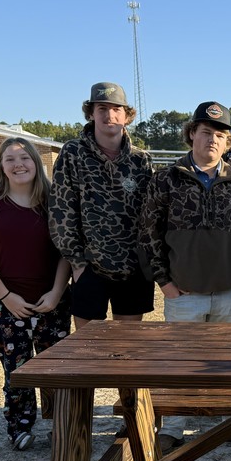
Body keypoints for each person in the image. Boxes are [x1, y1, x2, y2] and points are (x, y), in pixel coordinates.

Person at [138, 101, 231, 448]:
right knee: (180, 363)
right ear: (192, 134)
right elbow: (148, 234)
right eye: (206, 132)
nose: (213, 140)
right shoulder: (166, 180)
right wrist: (164, 282)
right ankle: (172, 429)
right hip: (185, 293)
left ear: (228, 143)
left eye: (221, 135)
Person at [0, 137, 71, 450]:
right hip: (5, 303)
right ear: (1, 166)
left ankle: (61, 426)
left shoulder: (54, 201)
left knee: (56, 369)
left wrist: (55, 292)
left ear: (36, 163)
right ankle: (20, 426)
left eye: (24, 158)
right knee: (18, 367)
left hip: (51, 301)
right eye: (10, 159)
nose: (18, 164)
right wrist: (6, 296)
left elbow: (66, 251)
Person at [49, 82, 154, 329]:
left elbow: (150, 214)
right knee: (88, 347)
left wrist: (147, 260)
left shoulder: (140, 160)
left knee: (128, 347)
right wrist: (77, 262)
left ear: (127, 116)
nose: (109, 115)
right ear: (91, 113)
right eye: (102, 108)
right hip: (90, 266)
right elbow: (61, 211)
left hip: (133, 268)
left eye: (116, 109)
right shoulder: (73, 153)